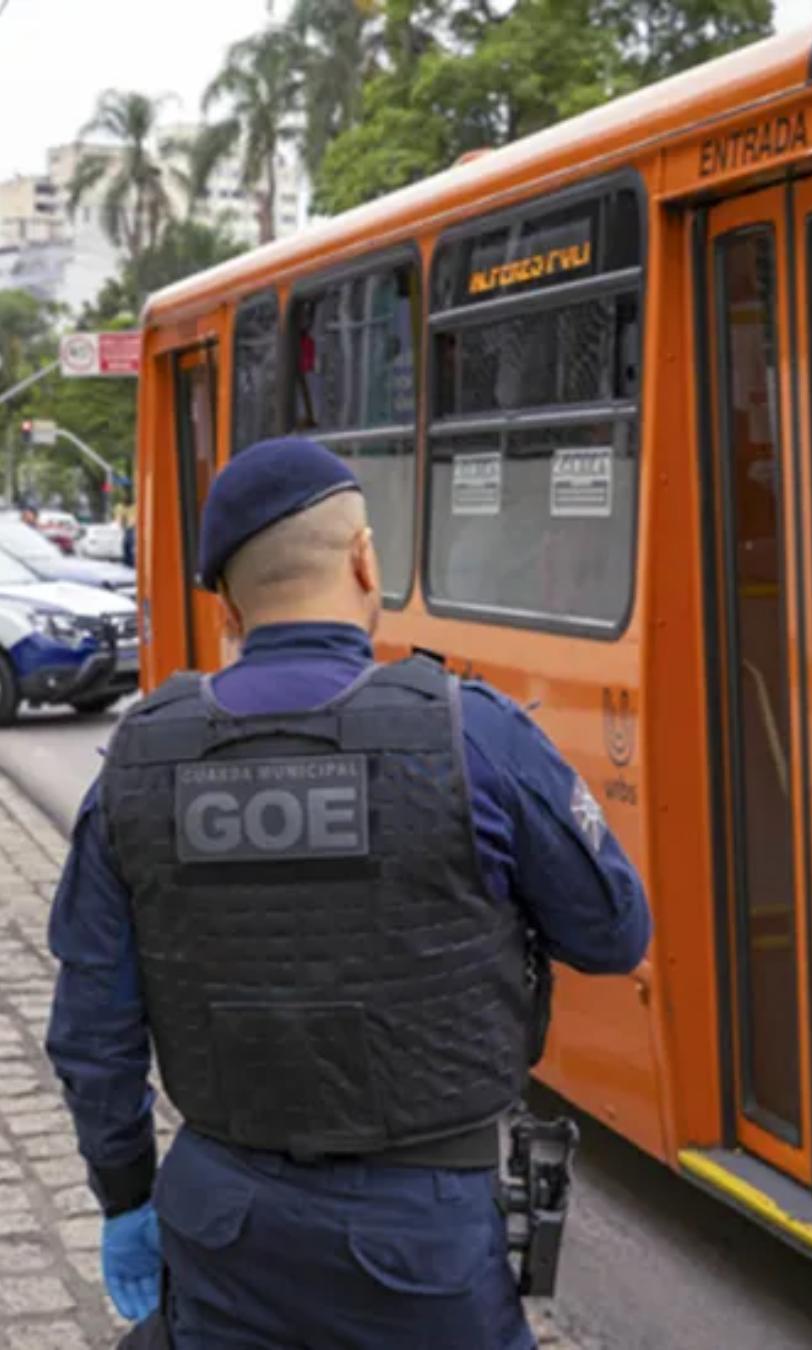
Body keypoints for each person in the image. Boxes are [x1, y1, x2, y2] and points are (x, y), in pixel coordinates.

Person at [46, 436, 651, 1350]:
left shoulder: (139, 761)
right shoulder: (468, 734)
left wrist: (126, 1195)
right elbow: (614, 932)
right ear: (364, 559)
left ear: (227, 603)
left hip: (221, 1223)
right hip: (425, 1233)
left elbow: (94, 1029)